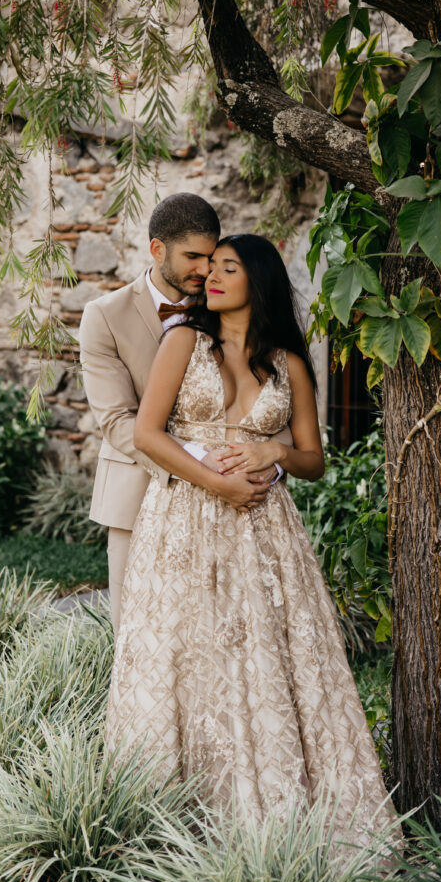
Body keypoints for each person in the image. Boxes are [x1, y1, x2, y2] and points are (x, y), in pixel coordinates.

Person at [104, 233, 397, 839]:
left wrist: (274, 449)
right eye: (209, 266)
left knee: (266, 657)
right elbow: (147, 434)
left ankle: (277, 818)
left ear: (256, 280)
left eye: (227, 267)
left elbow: (315, 458)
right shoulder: (184, 339)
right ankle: (170, 831)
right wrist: (219, 484)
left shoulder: (289, 359)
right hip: (183, 519)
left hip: (266, 531)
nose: (211, 276)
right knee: (183, 654)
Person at [79, 194, 289, 637]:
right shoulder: (104, 316)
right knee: (141, 639)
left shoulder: (228, 306)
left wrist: (262, 467)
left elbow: (274, 405)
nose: (204, 270)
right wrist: (199, 461)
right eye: (193, 257)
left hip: (235, 506)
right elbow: (118, 420)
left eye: (211, 258)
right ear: (157, 250)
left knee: (224, 640)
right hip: (139, 497)